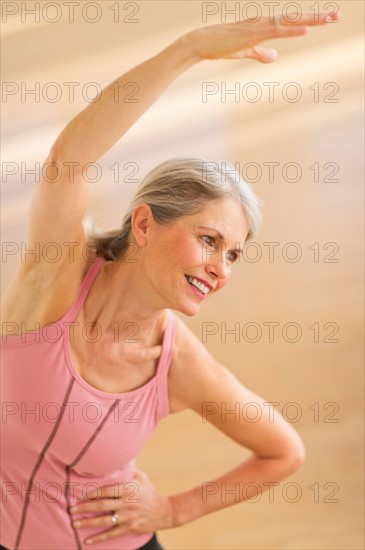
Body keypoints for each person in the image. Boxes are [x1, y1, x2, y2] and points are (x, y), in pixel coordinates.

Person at [0, 10, 340, 550]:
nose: (220, 268)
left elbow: (284, 451)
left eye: (233, 255)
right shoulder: (54, 282)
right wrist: (188, 50)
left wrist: (173, 509)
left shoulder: (178, 364)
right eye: (209, 241)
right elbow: (68, 159)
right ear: (142, 224)